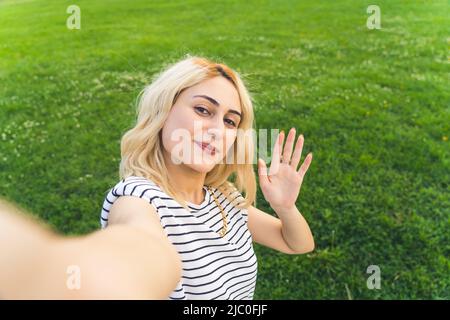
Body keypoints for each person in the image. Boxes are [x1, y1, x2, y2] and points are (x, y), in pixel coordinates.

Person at [0, 56, 314, 299]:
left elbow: (296, 244)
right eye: (203, 110)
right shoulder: (139, 200)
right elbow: (136, 249)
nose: (218, 129)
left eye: (230, 121)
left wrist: (285, 207)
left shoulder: (223, 198)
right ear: (163, 112)